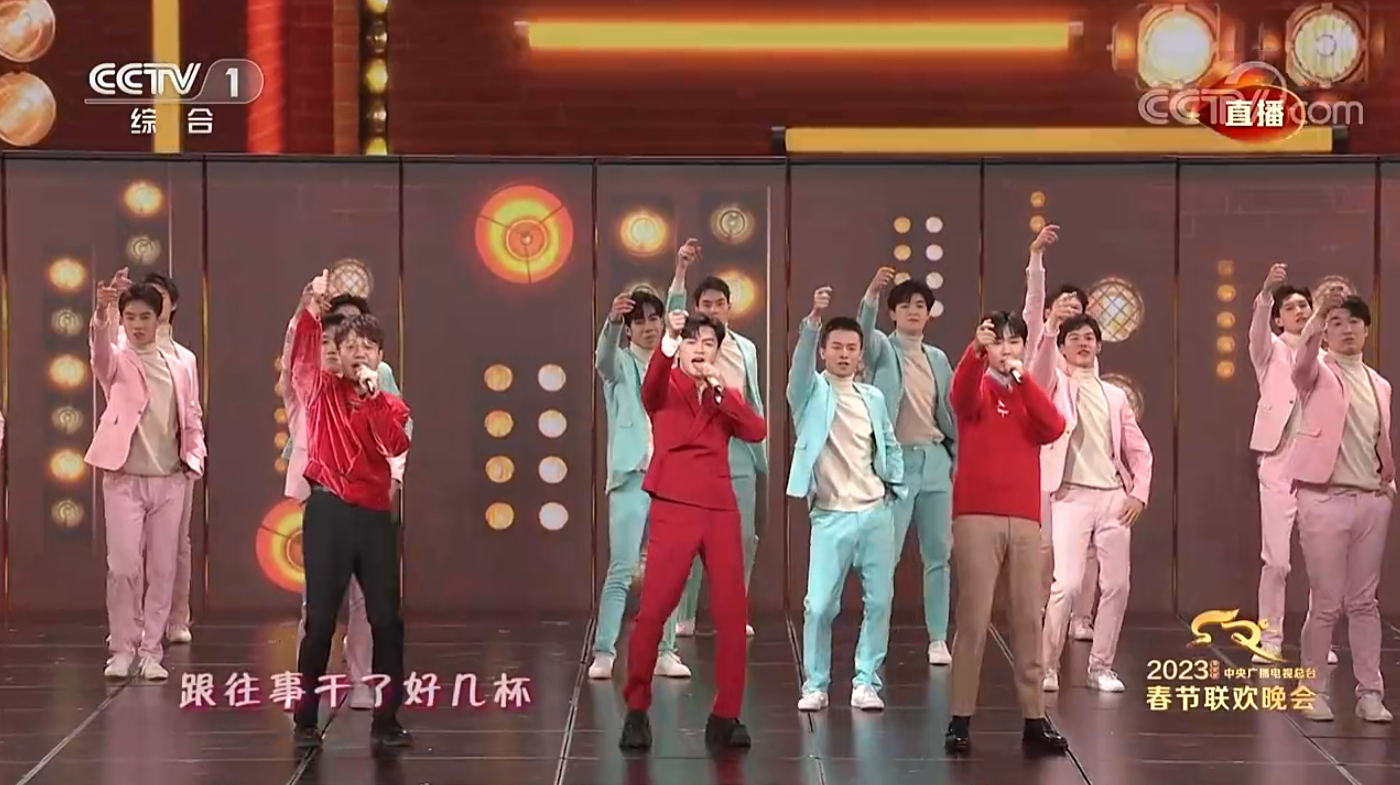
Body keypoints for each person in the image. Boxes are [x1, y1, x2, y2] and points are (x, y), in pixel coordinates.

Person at [619, 309, 766, 751]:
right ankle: (637, 709)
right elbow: (649, 389)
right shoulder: (665, 385)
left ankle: (726, 715)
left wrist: (721, 391)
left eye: (709, 343)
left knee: (732, 614)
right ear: (678, 347)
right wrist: (668, 341)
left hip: (720, 507)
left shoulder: (724, 394)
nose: (700, 350)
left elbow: (756, 431)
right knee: (654, 610)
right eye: (692, 341)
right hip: (675, 504)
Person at [289, 271, 412, 749]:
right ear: (336, 353)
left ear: (380, 357)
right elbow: (303, 355)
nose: (359, 353)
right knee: (320, 619)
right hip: (329, 513)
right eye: (350, 346)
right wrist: (310, 311)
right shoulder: (320, 391)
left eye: (369, 346)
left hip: (374, 518)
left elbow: (394, 444)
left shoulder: (391, 403)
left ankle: (387, 718)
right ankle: (305, 718)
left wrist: (373, 398)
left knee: (387, 619)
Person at [944, 313, 1067, 756]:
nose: (1006, 350)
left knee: (1028, 619)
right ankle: (960, 718)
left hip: (1025, 518)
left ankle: (1034, 718)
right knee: (974, 619)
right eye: (998, 343)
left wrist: (1024, 378)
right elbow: (959, 397)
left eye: (1014, 342)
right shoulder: (978, 388)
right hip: (977, 515)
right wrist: (975, 352)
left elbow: (1054, 426)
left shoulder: (1027, 394)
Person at [787, 288, 904, 711]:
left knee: (880, 602)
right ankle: (815, 684)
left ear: (860, 355)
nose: (844, 354)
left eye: (852, 348)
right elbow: (799, 369)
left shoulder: (872, 397)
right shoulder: (810, 392)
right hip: (830, 515)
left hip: (875, 512)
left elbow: (888, 441)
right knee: (819, 605)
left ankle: (866, 680)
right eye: (836, 347)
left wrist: (894, 486)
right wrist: (813, 319)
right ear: (823, 351)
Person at [86, 275, 205, 682]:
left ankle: (152, 650)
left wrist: (193, 459)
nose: (137, 325)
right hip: (124, 479)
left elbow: (192, 416)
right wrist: (102, 313)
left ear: (160, 318)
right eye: (130, 317)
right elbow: (101, 353)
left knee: (162, 569)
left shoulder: (181, 364)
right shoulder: (118, 360)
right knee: (122, 568)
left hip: (169, 480)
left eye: (145, 317)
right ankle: (123, 647)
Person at [1289, 290, 1394, 724]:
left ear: (1366, 330)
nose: (1346, 329)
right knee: (1326, 601)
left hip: (1371, 500)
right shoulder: (1316, 373)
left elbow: (1379, 441)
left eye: (1354, 322)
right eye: (1337, 323)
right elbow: (1301, 363)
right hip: (1324, 498)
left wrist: (1388, 485)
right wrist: (1316, 316)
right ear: (1325, 332)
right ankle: (1311, 689)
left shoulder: (1379, 384)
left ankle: (1370, 692)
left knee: (1365, 602)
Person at [1034, 313, 1153, 694]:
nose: (1083, 344)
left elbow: (1139, 450)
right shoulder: (1054, 386)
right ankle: (1047, 666)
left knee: (1117, 585)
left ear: (1099, 345)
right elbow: (1039, 370)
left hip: (1112, 498)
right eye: (1074, 338)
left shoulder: (1115, 396)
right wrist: (1049, 329)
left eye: (1089, 338)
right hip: (1070, 496)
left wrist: (1138, 493)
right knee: (1067, 585)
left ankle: (1101, 666)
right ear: (1062, 347)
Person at [664, 241, 766, 638]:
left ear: (729, 307)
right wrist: (680, 271)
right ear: (695, 307)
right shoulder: (684, 343)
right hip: (696, 444)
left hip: (737, 444)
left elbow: (752, 396)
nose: (712, 310)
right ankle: (685, 615)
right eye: (705, 304)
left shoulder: (745, 348)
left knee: (741, 537)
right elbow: (672, 312)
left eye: (719, 304)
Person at [588, 287, 690, 680]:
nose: (649, 327)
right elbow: (603, 358)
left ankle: (665, 651)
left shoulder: (675, 364)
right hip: (631, 479)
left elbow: (680, 323)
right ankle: (604, 651)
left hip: (671, 481)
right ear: (628, 329)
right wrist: (612, 321)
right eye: (640, 321)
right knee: (622, 567)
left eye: (654, 319)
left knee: (668, 571)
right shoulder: (620, 365)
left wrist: (680, 275)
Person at [858, 268, 957, 665]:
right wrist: (871, 293)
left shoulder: (938, 358)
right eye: (905, 306)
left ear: (929, 313)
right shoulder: (883, 348)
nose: (914, 311)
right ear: (893, 313)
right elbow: (864, 332)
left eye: (920, 305)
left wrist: (954, 456)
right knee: (887, 556)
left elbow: (950, 410)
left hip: (935, 460)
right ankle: (874, 642)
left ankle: (938, 638)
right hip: (897, 463)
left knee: (939, 554)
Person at [1249, 265, 1337, 666]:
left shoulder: (1328, 357)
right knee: (1277, 561)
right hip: (1279, 461)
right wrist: (1266, 292)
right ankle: (1270, 639)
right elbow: (1256, 329)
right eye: (1290, 307)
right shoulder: (1269, 350)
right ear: (1278, 318)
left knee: (1321, 561)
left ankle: (1319, 640)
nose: (1299, 311)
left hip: (1318, 465)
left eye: (1305, 305)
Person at [1020, 224, 1097, 638]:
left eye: (1077, 307)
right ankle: (1038, 612)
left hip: (1087, 459)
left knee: (1088, 546)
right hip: (1047, 458)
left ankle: (1081, 617)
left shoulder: (1087, 355)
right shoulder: (1040, 341)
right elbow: (1034, 304)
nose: (1069, 310)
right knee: (1045, 544)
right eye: (1062, 305)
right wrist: (1036, 257)